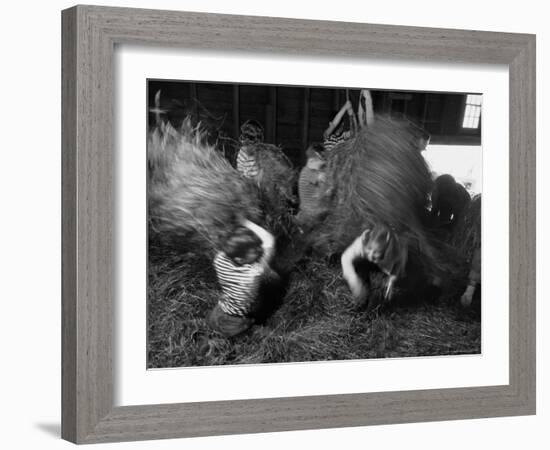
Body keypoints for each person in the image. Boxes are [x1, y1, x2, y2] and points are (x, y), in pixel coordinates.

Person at [209, 217, 279, 337]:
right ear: (240, 259)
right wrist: (244, 221)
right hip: (235, 322)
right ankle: (249, 331)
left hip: (218, 312)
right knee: (270, 335)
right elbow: (270, 241)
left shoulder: (220, 259)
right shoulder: (252, 274)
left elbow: (228, 243)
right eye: (254, 252)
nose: (260, 250)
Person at [341, 225, 408, 306]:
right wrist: (354, 280)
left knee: (402, 282)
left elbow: (398, 265)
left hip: (384, 262)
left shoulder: (395, 251)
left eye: (376, 252)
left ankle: (383, 301)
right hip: (367, 261)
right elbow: (345, 258)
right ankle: (362, 301)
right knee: (360, 266)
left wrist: (391, 281)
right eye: (369, 248)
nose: (371, 255)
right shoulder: (362, 242)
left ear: (386, 250)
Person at [296, 143, 328, 225]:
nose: (324, 164)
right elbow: (325, 179)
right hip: (309, 215)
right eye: (322, 161)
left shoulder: (313, 171)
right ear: (312, 161)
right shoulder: (307, 172)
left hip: (314, 213)